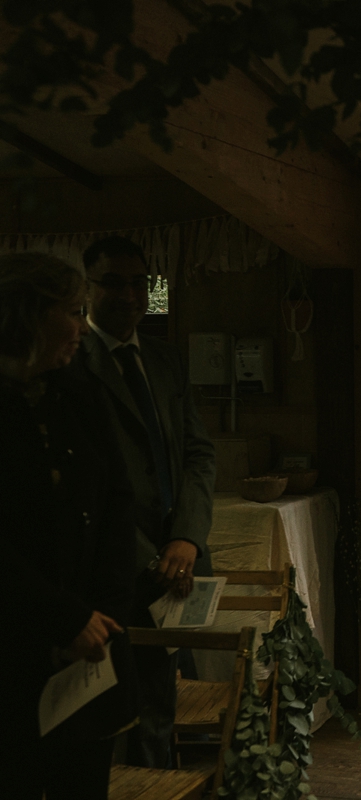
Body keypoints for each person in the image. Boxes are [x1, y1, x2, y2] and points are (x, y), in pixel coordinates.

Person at [0, 252, 138, 798]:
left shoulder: (79, 391)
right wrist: (64, 618)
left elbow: (117, 504)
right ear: (32, 316)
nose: (83, 328)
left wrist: (104, 614)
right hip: (16, 649)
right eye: (74, 312)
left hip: (91, 653)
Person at [78, 236, 216, 768]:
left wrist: (186, 537)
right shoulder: (74, 364)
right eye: (113, 281)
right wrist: (152, 557)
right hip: (113, 570)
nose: (130, 295)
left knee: (161, 703)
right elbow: (89, 487)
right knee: (113, 714)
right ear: (88, 287)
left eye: (140, 282)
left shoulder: (162, 359)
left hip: (176, 563)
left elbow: (199, 454)